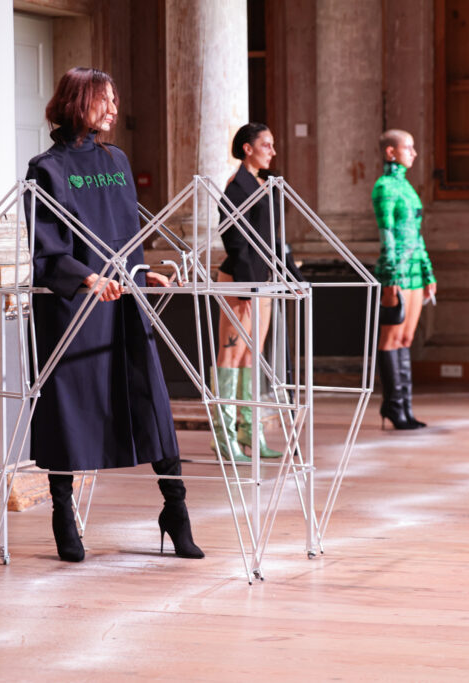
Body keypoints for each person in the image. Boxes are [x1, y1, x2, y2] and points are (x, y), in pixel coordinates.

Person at [26, 67, 202, 562]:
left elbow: (126, 235)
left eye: (114, 100)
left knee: (150, 400)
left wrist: (144, 275)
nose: (114, 109)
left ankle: (176, 511)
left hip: (124, 301)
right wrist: (88, 279)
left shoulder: (116, 160)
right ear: (78, 102)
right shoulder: (46, 169)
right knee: (68, 407)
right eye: (105, 99)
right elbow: (46, 247)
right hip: (74, 309)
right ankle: (64, 515)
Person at [211, 123, 304, 461]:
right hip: (241, 280)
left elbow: (273, 240)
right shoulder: (237, 187)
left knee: (252, 356)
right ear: (247, 148)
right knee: (231, 355)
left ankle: (250, 432)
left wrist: (293, 276)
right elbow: (235, 242)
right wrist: (248, 288)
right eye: (266, 145)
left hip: (261, 281)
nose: (273, 152)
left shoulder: (266, 185)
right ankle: (224, 436)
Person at [371, 129, 436, 431]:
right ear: (391, 152)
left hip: (414, 272)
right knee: (390, 338)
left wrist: (427, 272)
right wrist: (390, 276)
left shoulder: (408, 187)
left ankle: (406, 408)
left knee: (406, 339)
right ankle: (393, 406)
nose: (414, 153)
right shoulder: (383, 187)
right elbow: (387, 235)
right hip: (395, 273)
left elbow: (416, 235)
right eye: (408, 148)